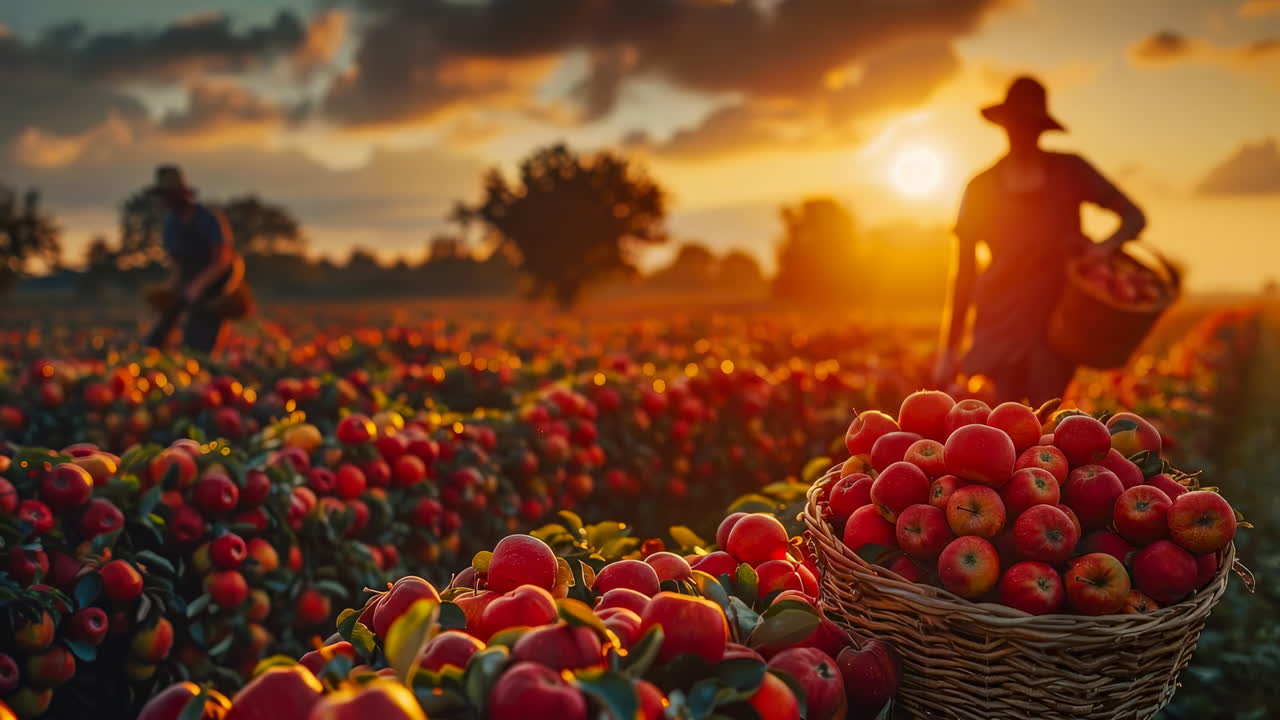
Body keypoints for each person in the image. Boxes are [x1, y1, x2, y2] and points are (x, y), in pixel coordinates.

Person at [934, 77, 1146, 405]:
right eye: (1016, 124)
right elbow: (963, 272)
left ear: (1041, 128)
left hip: (1056, 319)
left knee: (1043, 414)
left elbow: (1134, 217)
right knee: (1000, 417)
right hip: (998, 318)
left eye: (1029, 125)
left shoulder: (1070, 171)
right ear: (1004, 125)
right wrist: (948, 349)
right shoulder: (981, 187)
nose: (1021, 133)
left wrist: (1101, 249)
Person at [144, 165, 237, 354]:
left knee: (202, 329)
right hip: (189, 279)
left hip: (216, 281)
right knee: (164, 325)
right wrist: (172, 290)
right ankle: (155, 353)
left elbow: (222, 259)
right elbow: (177, 264)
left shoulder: (208, 218)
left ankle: (202, 358)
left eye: (169, 195)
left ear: (181, 194)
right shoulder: (171, 224)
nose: (165, 201)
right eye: (163, 196)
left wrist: (198, 286)